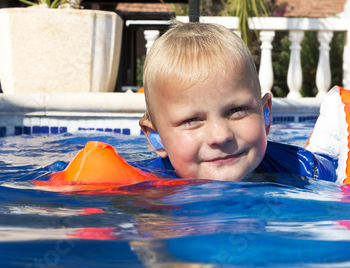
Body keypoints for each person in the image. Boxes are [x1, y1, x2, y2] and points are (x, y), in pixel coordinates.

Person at [136, 21, 337, 182]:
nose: (220, 136)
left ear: (265, 115)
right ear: (156, 137)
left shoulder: (305, 170)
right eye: (192, 120)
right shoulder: (141, 187)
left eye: (236, 110)